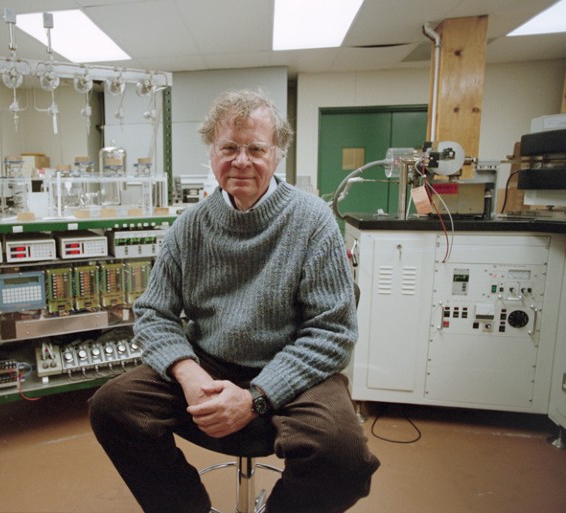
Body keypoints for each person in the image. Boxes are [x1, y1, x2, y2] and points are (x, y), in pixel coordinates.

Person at [88, 89, 380, 513]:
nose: (241, 160)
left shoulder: (314, 221)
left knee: (345, 458)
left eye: (256, 149)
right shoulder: (187, 228)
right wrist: (187, 373)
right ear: (212, 152)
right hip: (209, 365)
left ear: (277, 155)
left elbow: (333, 331)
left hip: (294, 368)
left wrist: (255, 398)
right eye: (229, 147)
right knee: (112, 407)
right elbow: (153, 314)